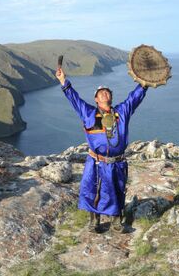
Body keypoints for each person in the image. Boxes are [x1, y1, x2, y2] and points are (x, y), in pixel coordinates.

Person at [55, 67, 147, 233]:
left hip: (117, 162)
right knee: (92, 189)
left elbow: (134, 98)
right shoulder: (88, 113)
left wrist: (144, 85)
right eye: (101, 93)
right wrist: (63, 81)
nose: (105, 94)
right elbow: (74, 98)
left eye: (107, 92)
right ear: (96, 99)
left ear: (111, 96)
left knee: (117, 189)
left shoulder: (122, 112)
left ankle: (116, 221)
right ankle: (94, 221)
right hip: (96, 162)